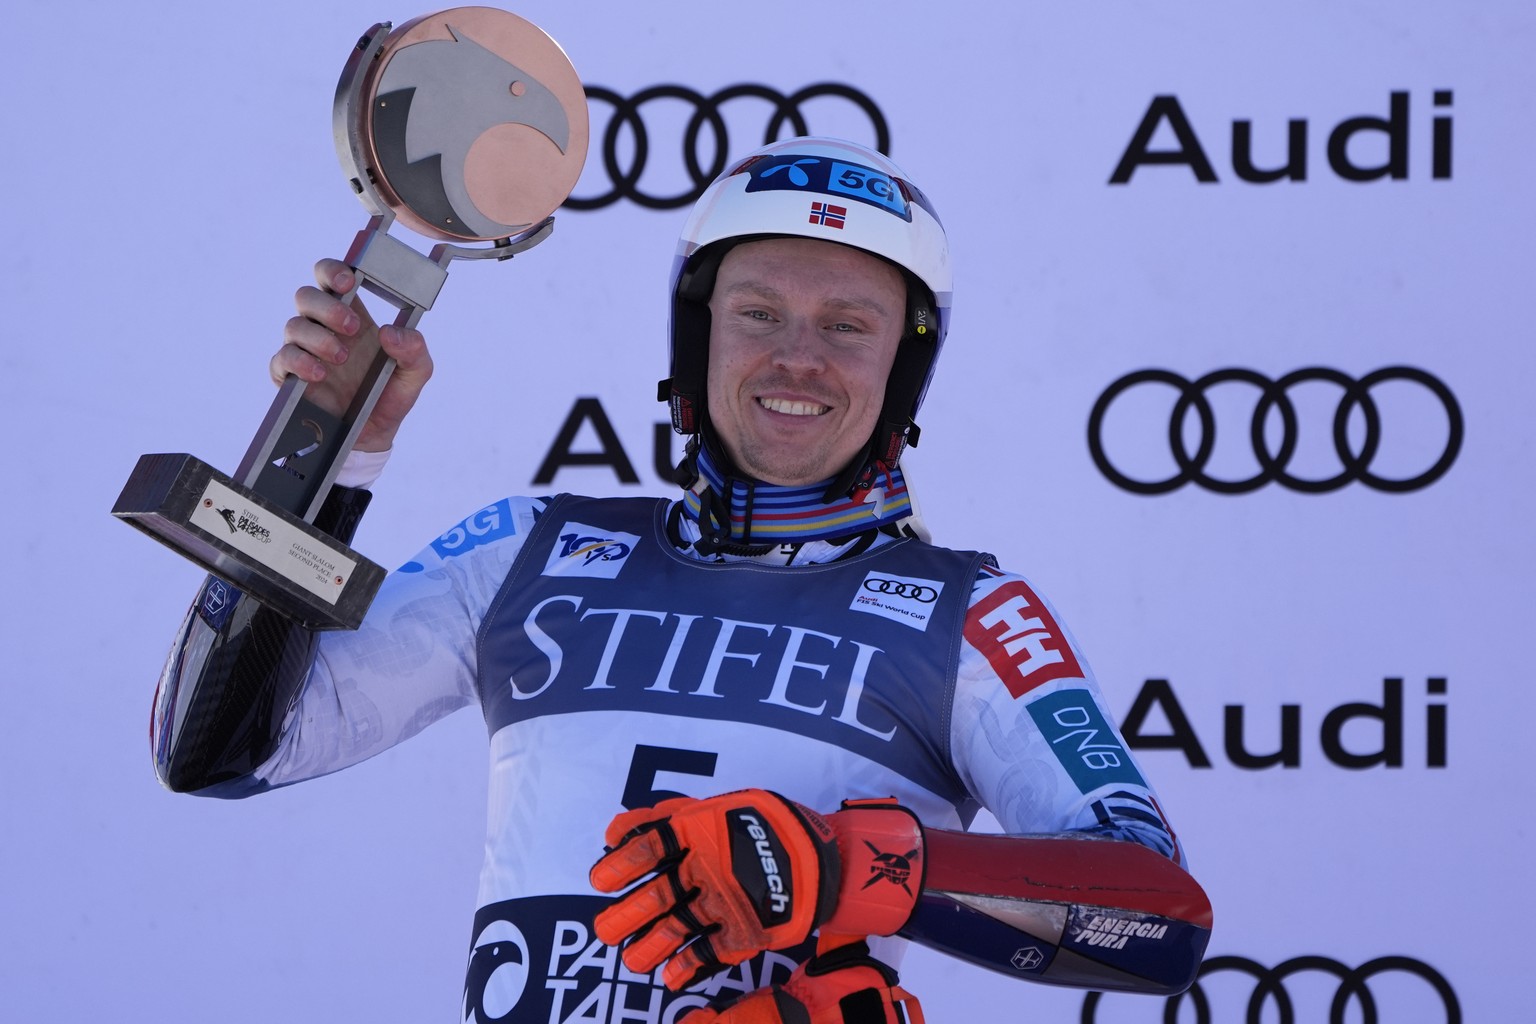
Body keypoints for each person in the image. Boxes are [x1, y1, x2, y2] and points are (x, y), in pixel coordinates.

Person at [152, 137, 1212, 1023]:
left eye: (847, 326)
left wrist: (851, 867)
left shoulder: (970, 613)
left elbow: (1161, 918)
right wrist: (321, 455)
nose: (799, 357)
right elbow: (220, 748)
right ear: (696, 339)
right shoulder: (529, 545)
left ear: (903, 369)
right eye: (758, 312)